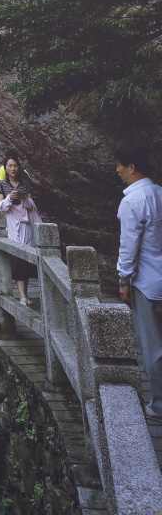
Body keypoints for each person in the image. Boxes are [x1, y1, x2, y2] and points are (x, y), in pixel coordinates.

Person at [115, 145, 162, 421]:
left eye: (120, 164)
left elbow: (128, 246)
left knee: (153, 347)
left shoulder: (132, 201)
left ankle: (158, 405)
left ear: (132, 167)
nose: (117, 170)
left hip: (146, 284)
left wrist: (123, 279)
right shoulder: (159, 193)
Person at [0, 153, 41, 305]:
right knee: (17, 256)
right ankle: (22, 296)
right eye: (9, 166)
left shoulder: (25, 183)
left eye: (15, 165)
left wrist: (23, 198)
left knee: (26, 256)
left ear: (19, 167)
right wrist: (10, 198)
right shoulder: (1, 185)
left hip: (25, 223)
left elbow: (32, 205)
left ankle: (25, 295)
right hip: (11, 222)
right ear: (5, 168)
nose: (12, 169)